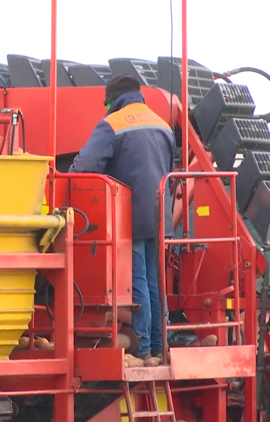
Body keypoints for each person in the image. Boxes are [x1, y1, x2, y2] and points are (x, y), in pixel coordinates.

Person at [68, 74, 175, 367]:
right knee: (156, 281)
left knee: (138, 280)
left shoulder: (112, 124)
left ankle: (141, 349)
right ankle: (159, 345)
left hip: (130, 214)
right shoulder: (162, 124)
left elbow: (85, 166)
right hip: (160, 213)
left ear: (111, 99)